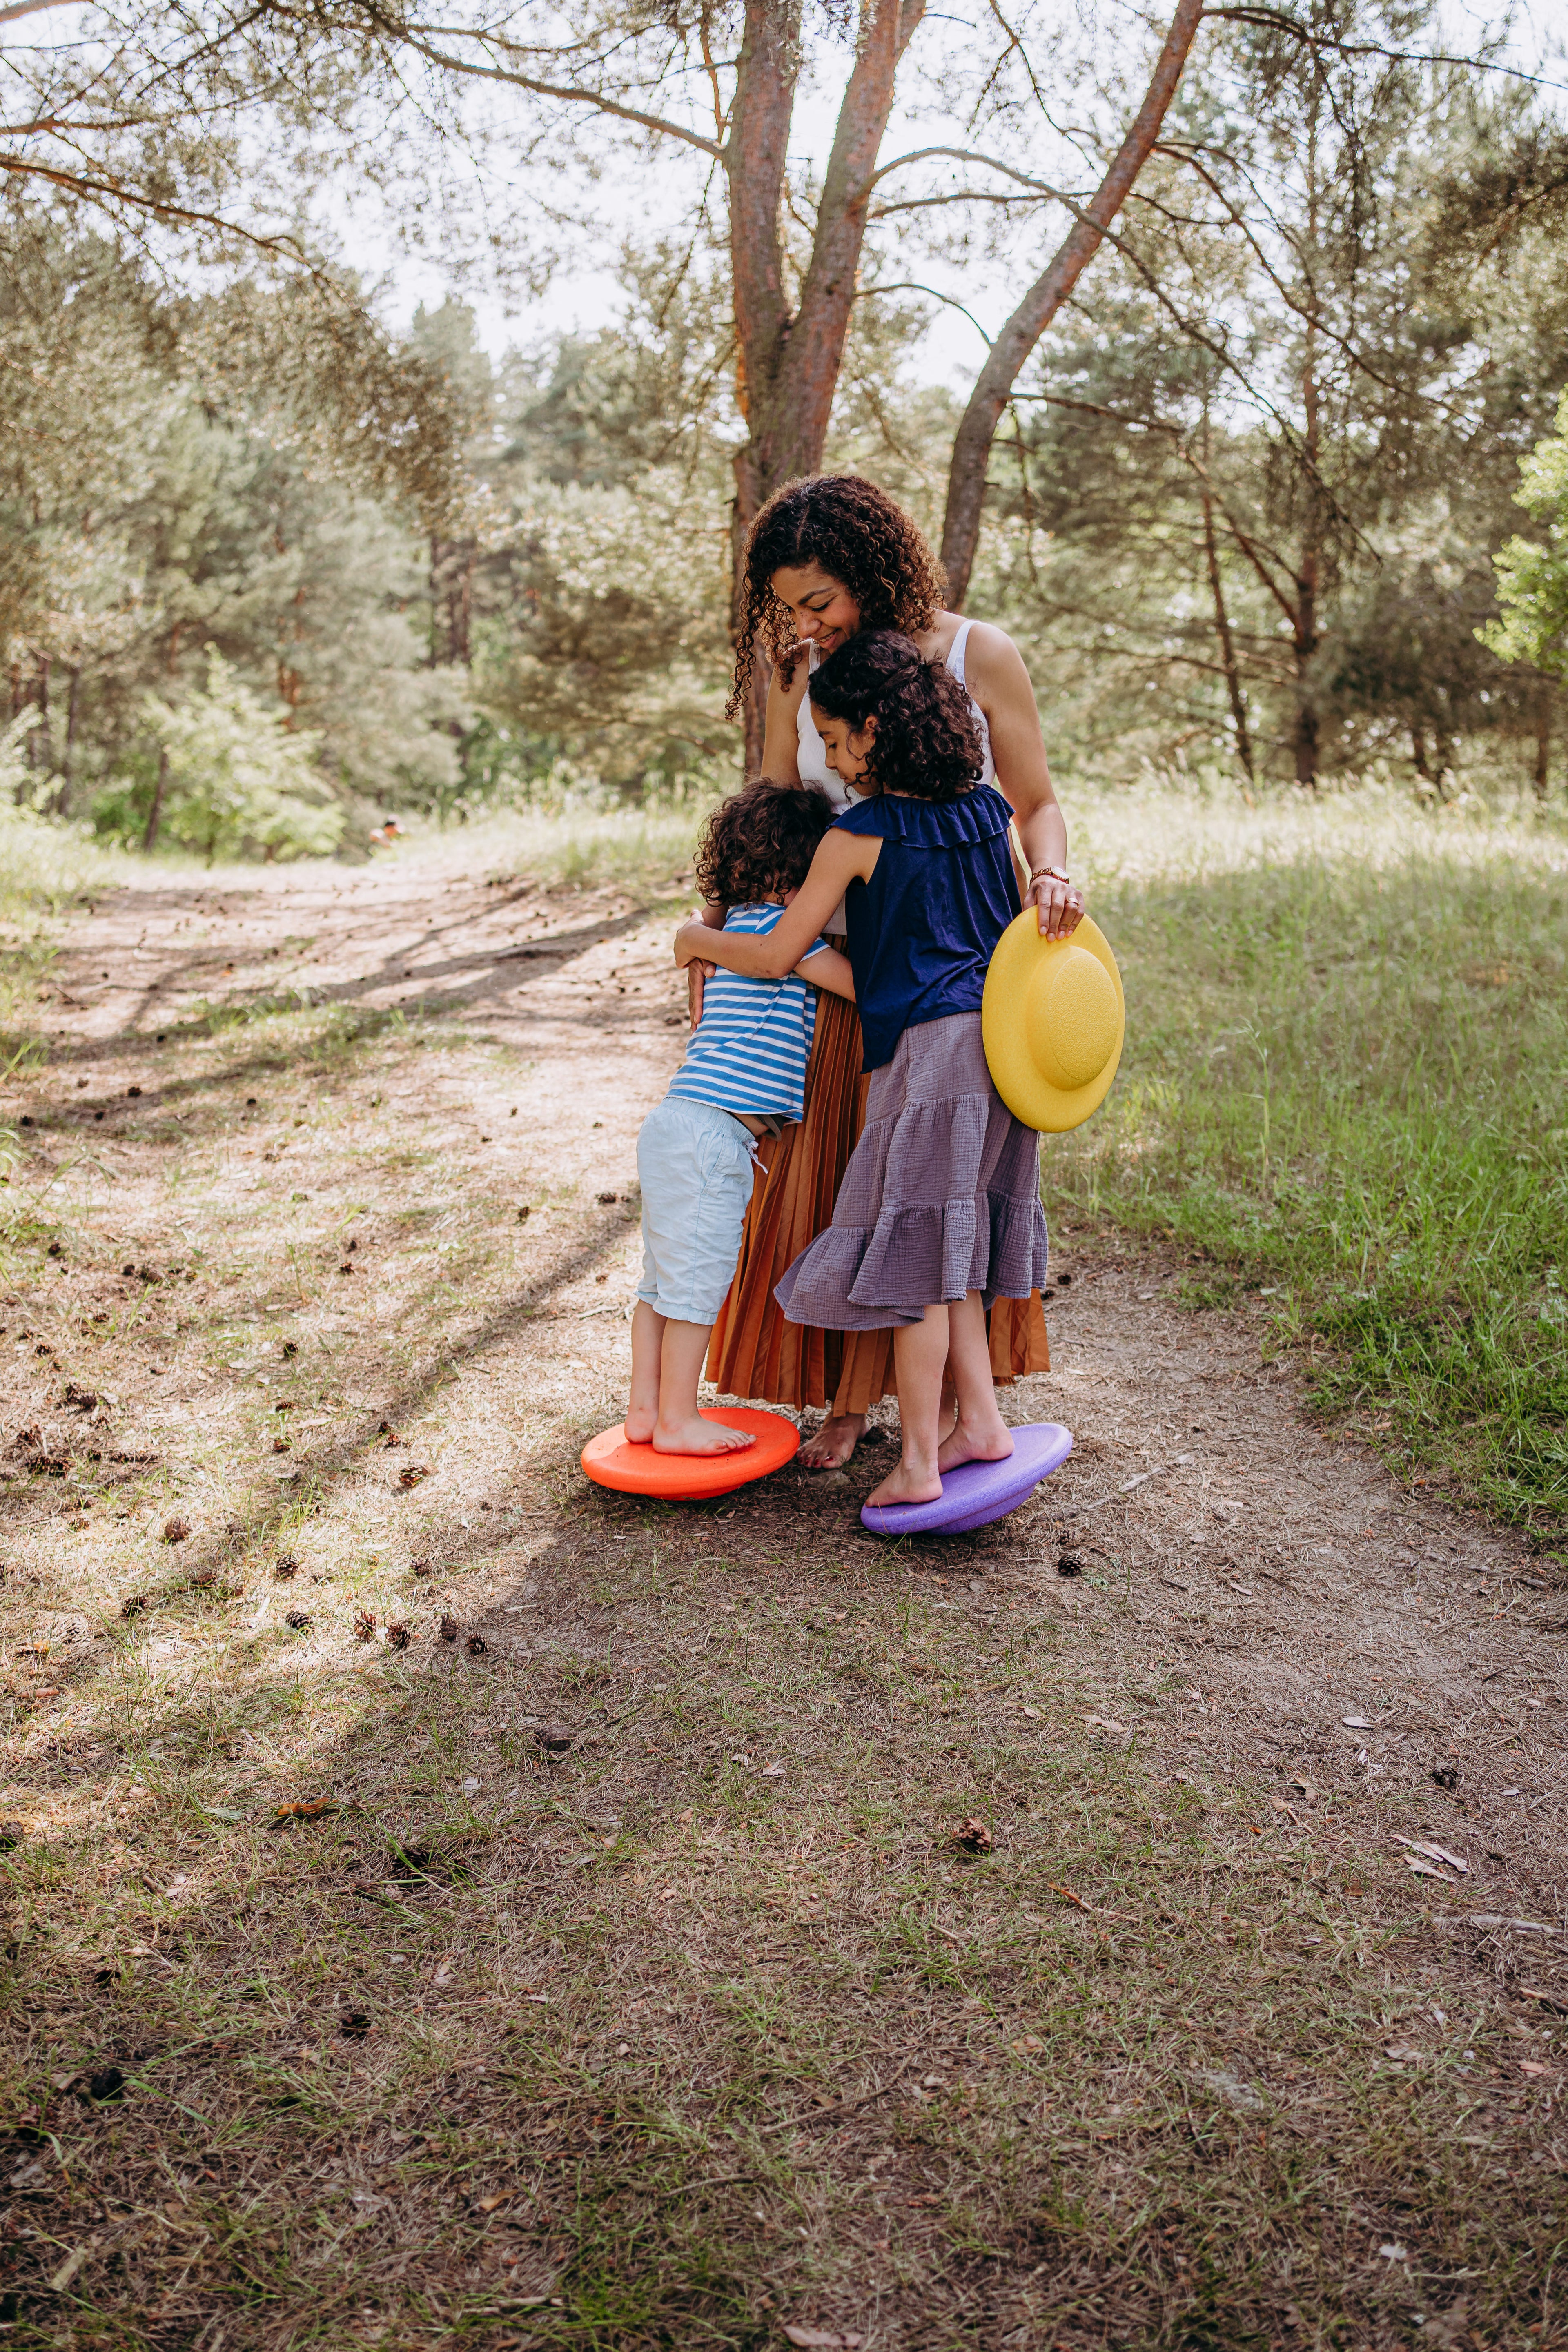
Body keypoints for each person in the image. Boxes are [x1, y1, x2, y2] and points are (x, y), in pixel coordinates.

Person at [697, 474, 1084, 1469]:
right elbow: (785, 811)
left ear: (874, 569)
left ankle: (956, 1414)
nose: (804, 621)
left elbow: (1034, 800)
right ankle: (843, 1396)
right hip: (838, 967)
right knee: (847, 1184)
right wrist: (785, 705)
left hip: (949, 967)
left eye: (819, 599)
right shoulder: (808, 670)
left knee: (931, 1190)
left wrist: (1055, 875)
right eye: (786, 606)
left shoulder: (975, 654)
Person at [676, 634, 1048, 1512]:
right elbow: (980, 939)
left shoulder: (858, 834)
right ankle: (982, 1424)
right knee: (951, 1248)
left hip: (928, 1060)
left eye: (837, 742)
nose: (833, 763)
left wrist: (698, 939)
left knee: (915, 1265)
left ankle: (921, 1458)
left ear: (878, 730)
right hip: (1003, 1052)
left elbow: (772, 953)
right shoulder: (989, 813)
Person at [629, 780, 854, 1456]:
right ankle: (677, 1420)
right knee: (699, 1284)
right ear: (799, 878)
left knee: (661, 1282)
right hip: (713, 1137)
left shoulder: (730, 930)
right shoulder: (786, 936)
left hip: (676, 1124)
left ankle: (646, 1410)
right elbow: (861, 988)